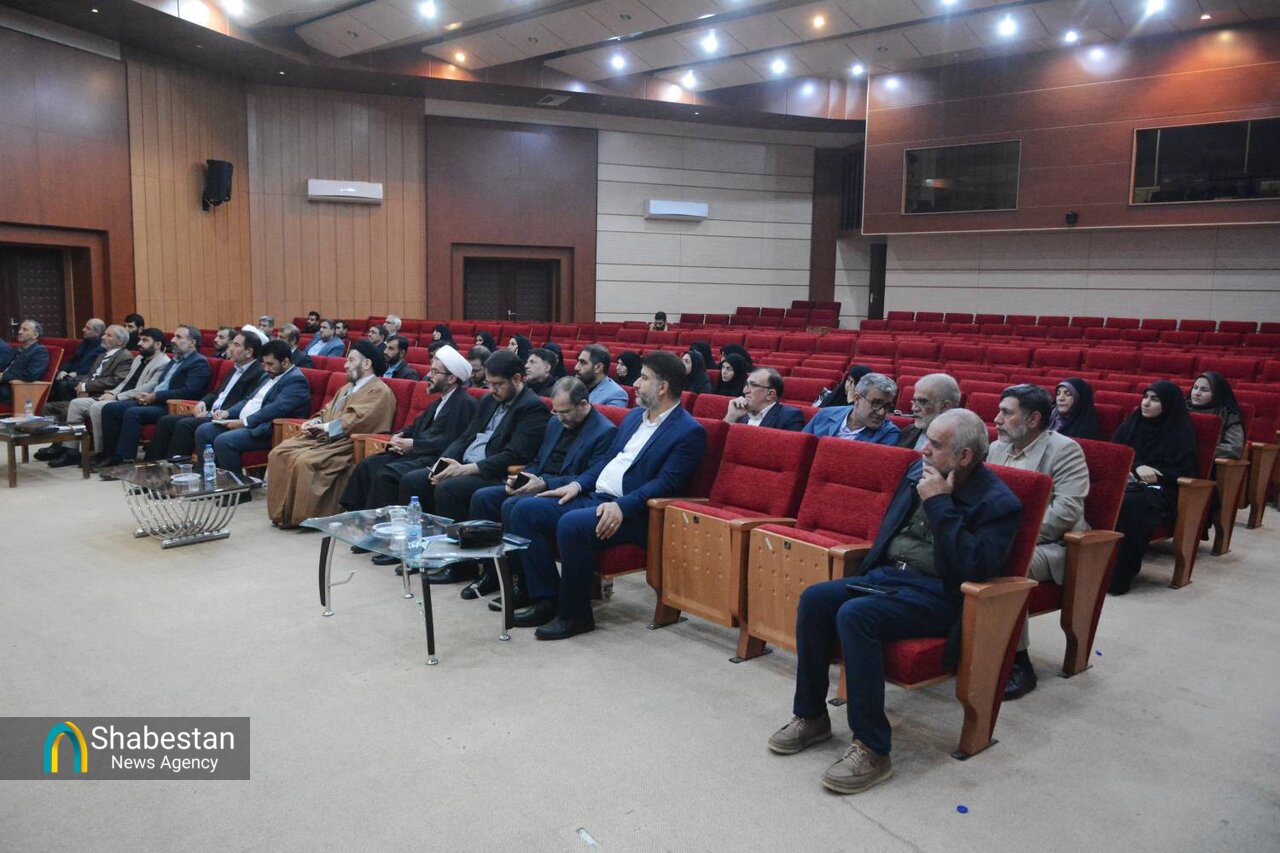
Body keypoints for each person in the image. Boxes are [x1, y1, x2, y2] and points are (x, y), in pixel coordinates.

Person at [768, 409, 1022, 795]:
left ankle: (873, 748)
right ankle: (811, 716)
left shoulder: (998, 502)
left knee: (856, 615)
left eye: (935, 444)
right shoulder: (916, 473)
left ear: (964, 456)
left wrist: (939, 503)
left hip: (941, 595)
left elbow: (974, 568)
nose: (923, 449)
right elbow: (889, 533)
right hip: (888, 576)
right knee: (816, 598)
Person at [507, 351, 707, 640]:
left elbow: (667, 484)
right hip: (596, 497)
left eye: (644, 378)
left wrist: (621, 506)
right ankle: (546, 599)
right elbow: (606, 461)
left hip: (635, 514)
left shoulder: (688, 431)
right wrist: (577, 485)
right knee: (524, 510)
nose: (635, 383)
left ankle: (576, 615)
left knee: (572, 524)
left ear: (663, 387)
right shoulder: (635, 417)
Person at [395, 350, 551, 580]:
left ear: (517, 379)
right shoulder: (489, 400)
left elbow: (515, 454)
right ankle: (421, 553)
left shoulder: (532, 408)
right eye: (489, 383)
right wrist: (443, 463)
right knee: (414, 481)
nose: (492, 389)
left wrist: (464, 469)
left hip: (493, 472)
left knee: (449, 489)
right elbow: (465, 437)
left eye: (498, 384)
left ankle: (461, 565)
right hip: (466, 465)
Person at [464, 376, 617, 602]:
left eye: (565, 412)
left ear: (584, 404)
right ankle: (493, 573)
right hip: (540, 482)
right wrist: (523, 478)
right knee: (483, 498)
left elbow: (591, 478)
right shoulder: (555, 423)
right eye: (556, 411)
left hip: (568, 492)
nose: (560, 417)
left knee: (513, 506)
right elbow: (539, 460)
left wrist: (544, 483)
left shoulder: (604, 431)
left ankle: (528, 585)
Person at [986, 384, 1089, 700]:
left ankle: (1019, 663)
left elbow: (1066, 511)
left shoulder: (1065, 450)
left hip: (1051, 545)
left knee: (1005, 565)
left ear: (1033, 420)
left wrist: (1014, 538)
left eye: (1006, 413)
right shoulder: (996, 449)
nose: (997, 419)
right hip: (1001, 538)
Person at [266, 340, 397, 528]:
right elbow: (327, 410)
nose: (345, 365)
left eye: (351, 360)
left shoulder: (380, 391)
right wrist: (316, 422)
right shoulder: (347, 388)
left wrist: (326, 427)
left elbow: (359, 420)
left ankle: (301, 517)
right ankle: (281, 514)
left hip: (347, 443)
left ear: (367, 363)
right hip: (325, 438)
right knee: (279, 453)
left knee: (305, 462)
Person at [340, 345, 477, 522]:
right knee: (368, 464)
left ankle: (382, 526)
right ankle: (357, 518)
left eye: (435, 372)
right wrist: (399, 437)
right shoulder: (440, 401)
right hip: (418, 453)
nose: (428, 375)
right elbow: (415, 426)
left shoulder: (464, 403)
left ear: (451, 378)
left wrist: (413, 445)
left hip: (433, 459)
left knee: (386, 475)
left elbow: (450, 441)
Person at [1109, 381, 1199, 594]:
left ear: (1167, 405)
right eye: (1145, 397)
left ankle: (1116, 578)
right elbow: (1115, 453)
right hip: (1128, 481)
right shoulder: (1133, 423)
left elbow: (1183, 472)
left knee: (1130, 503)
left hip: (1161, 491)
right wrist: (1135, 467)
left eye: (1155, 399)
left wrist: (1153, 475)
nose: (1146, 403)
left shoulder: (1179, 433)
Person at [95, 325, 211, 474]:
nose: (173, 340)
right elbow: (161, 384)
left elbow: (189, 391)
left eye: (179, 337)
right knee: (111, 408)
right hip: (156, 400)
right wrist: (147, 395)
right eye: (174, 336)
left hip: (172, 405)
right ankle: (110, 455)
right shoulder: (175, 360)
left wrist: (155, 396)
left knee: (133, 413)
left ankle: (125, 460)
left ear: (192, 343)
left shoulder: (198, 363)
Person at [193, 340, 311, 477]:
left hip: (267, 429)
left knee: (224, 441)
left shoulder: (296, 381)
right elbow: (248, 399)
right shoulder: (268, 375)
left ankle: (236, 485)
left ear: (285, 362)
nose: (266, 368)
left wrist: (244, 422)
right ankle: (210, 478)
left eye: (270, 364)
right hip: (246, 422)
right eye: (264, 364)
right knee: (204, 431)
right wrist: (228, 413)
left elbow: (276, 409)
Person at [143, 331, 265, 463]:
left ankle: (176, 468)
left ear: (249, 352)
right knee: (166, 421)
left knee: (185, 425)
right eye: (231, 344)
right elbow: (216, 393)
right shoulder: (234, 369)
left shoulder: (257, 373)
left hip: (225, 417)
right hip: (211, 412)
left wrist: (210, 414)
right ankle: (152, 466)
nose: (230, 348)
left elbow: (245, 403)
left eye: (236, 345)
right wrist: (202, 402)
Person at [37, 324, 132, 466]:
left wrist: (87, 387)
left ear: (120, 341)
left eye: (108, 335)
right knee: (48, 407)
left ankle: (70, 451)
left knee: (67, 409)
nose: (103, 337)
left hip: (103, 396)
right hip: (88, 395)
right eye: (104, 334)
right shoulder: (102, 355)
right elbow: (89, 375)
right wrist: (82, 386)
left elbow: (116, 380)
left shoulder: (125, 357)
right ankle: (57, 445)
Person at [73, 329, 169, 466]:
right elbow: (125, 382)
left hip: (138, 399)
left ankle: (106, 452)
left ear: (158, 345)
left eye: (145, 340)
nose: (139, 343)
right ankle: (75, 451)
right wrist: (112, 394)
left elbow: (146, 388)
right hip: (122, 395)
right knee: (77, 403)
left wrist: (116, 397)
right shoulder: (138, 359)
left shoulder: (163, 363)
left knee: (102, 407)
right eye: (140, 339)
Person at [804, 373, 900, 444]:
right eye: (876, 404)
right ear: (857, 399)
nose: (881, 412)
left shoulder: (888, 433)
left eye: (887, 406)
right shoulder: (825, 414)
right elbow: (801, 447)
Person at [724, 368, 805, 431]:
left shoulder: (789, 417)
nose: (745, 391)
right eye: (746, 384)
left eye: (753, 385)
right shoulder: (739, 413)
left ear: (770, 394)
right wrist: (730, 417)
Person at [1187, 372, 1244, 460]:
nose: (1197, 393)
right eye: (1195, 388)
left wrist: (1196, 452)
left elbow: (1233, 448)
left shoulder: (1228, 415)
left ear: (1216, 393)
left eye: (1204, 390)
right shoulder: (1181, 407)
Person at [896, 373, 960, 451]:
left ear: (945, 406)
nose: (914, 408)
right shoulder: (908, 431)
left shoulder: (959, 444)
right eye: (914, 401)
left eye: (923, 402)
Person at [0, 320, 50, 405]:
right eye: (20, 329)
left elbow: (30, 375)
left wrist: (4, 376)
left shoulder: (40, 352)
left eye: (25, 330)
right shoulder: (18, 349)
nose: (19, 332)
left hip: (16, 390)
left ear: (35, 335)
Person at [52, 319, 106, 394]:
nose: (83, 330)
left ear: (97, 332)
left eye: (88, 328)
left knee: (64, 384)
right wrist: (63, 370)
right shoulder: (84, 343)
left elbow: (95, 367)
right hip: (71, 374)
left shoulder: (102, 347)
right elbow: (72, 359)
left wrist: (77, 373)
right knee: (55, 378)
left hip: (86, 376)